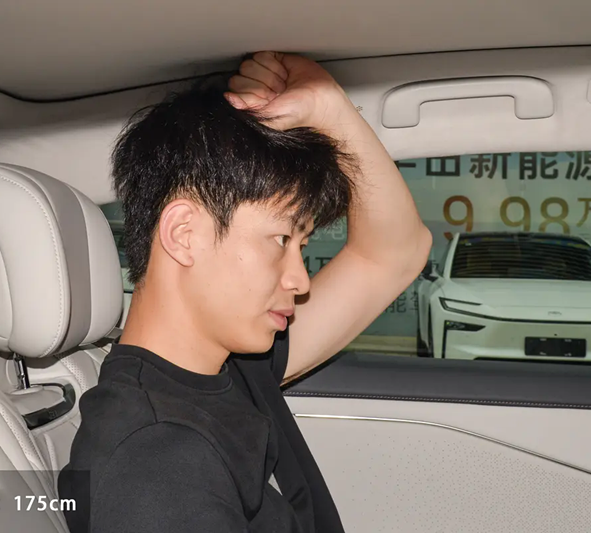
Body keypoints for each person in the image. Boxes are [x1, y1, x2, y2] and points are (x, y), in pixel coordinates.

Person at [58, 51, 432, 533]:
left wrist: (330, 108)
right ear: (184, 234)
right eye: (281, 239)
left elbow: (395, 254)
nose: (299, 280)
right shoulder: (154, 464)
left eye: (301, 246)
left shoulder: (236, 363)